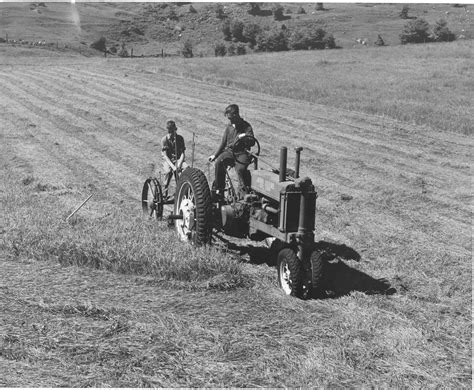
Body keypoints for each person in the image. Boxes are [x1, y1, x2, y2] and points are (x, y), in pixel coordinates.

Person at [208, 104, 255, 200]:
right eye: (229, 119)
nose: (230, 121)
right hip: (229, 152)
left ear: (236, 115)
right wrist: (215, 155)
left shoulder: (246, 126)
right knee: (219, 162)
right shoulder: (229, 127)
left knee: (240, 169)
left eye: (231, 119)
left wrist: (245, 137)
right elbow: (223, 143)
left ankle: (242, 193)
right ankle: (220, 189)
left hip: (242, 153)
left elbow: (252, 142)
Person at [161, 120, 187, 198]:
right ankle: (164, 193)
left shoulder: (180, 139)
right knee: (168, 172)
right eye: (170, 131)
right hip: (168, 161)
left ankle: (182, 191)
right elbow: (165, 156)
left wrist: (179, 165)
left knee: (186, 168)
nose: (171, 133)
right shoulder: (164, 140)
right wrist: (173, 167)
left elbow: (182, 153)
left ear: (175, 130)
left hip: (179, 160)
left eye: (173, 131)